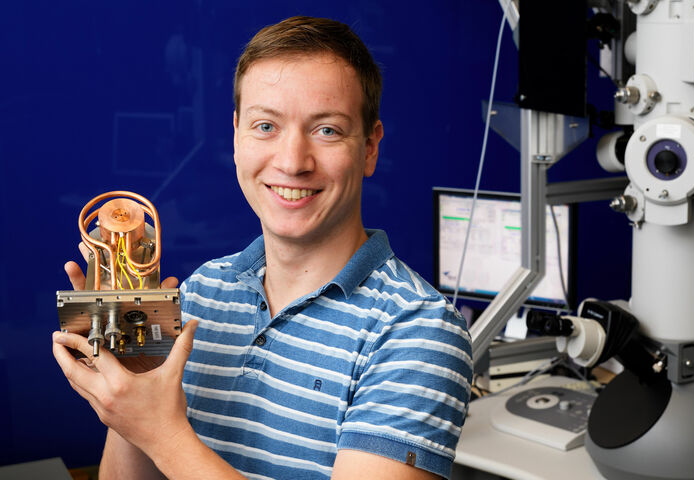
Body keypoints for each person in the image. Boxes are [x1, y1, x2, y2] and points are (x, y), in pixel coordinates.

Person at [53, 16, 473, 480]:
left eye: (327, 130)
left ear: (370, 147)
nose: (292, 162)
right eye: (266, 126)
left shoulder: (419, 332)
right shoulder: (202, 293)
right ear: (236, 135)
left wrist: (161, 432)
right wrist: (133, 381)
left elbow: (163, 438)